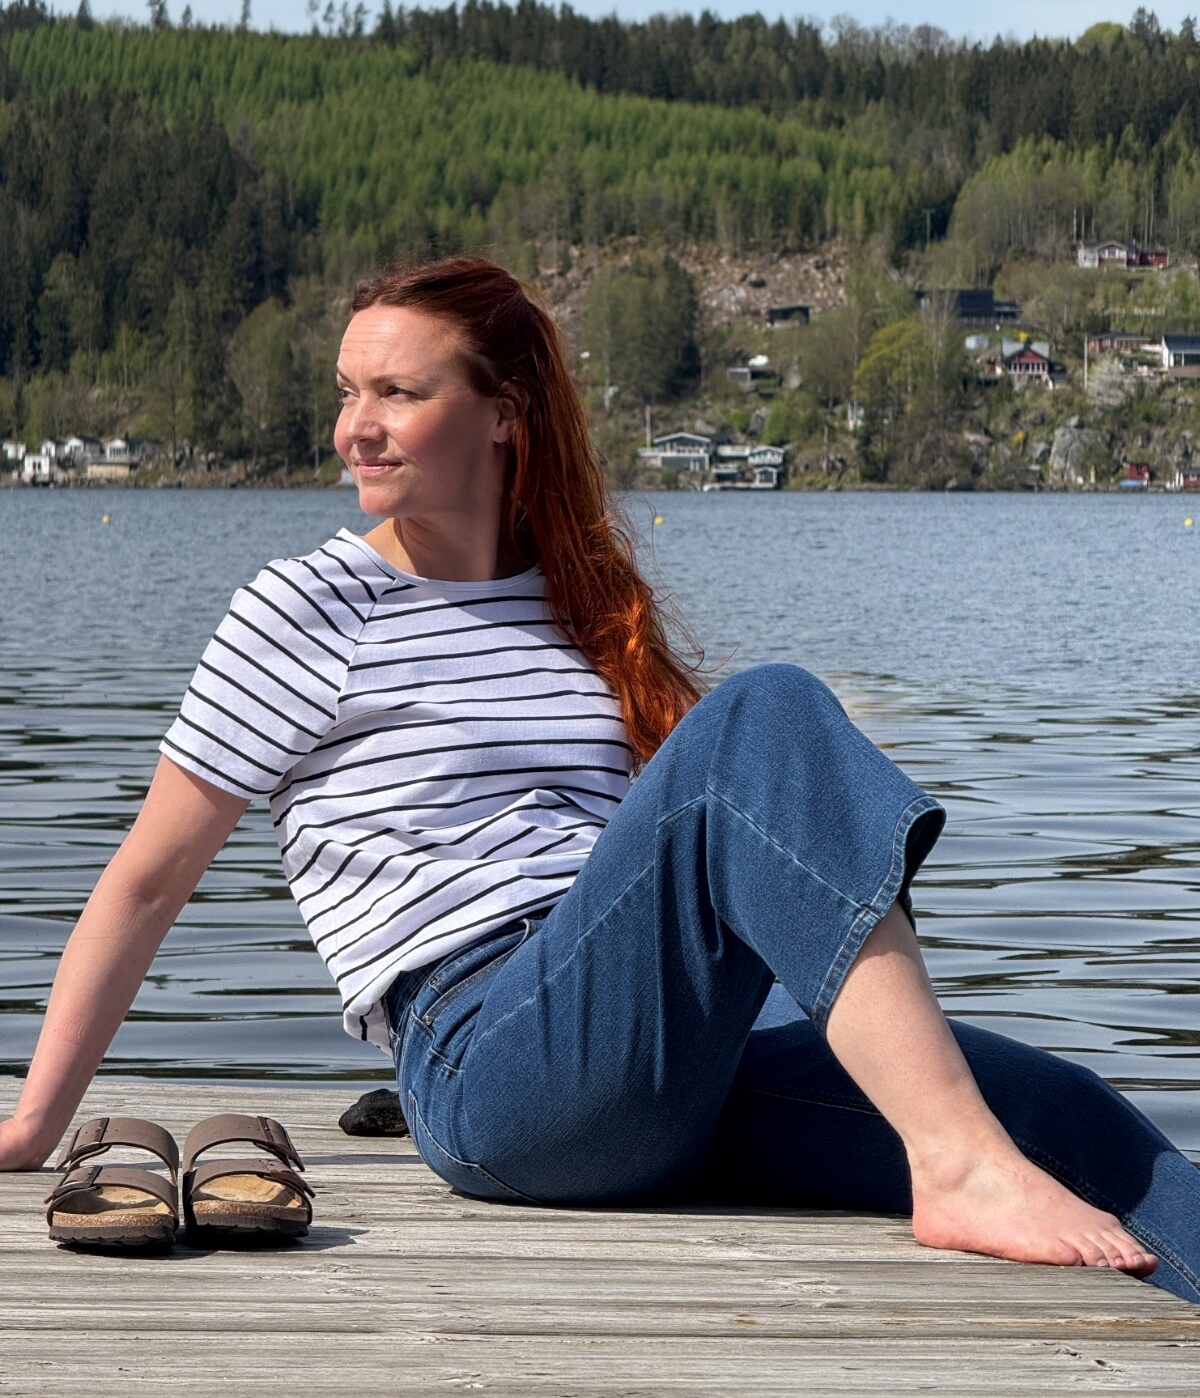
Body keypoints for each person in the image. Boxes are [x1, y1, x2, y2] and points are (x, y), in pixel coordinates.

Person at [4, 256, 1199, 1300]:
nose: (354, 426)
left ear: (503, 413)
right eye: (346, 391)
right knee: (765, 710)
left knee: (1071, 1116)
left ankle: (1004, 1166)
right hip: (492, 1062)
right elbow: (147, 878)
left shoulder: (577, 602)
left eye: (398, 392)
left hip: (675, 1048)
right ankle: (957, 1164)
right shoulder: (308, 608)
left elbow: (679, 861)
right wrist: (32, 1123)